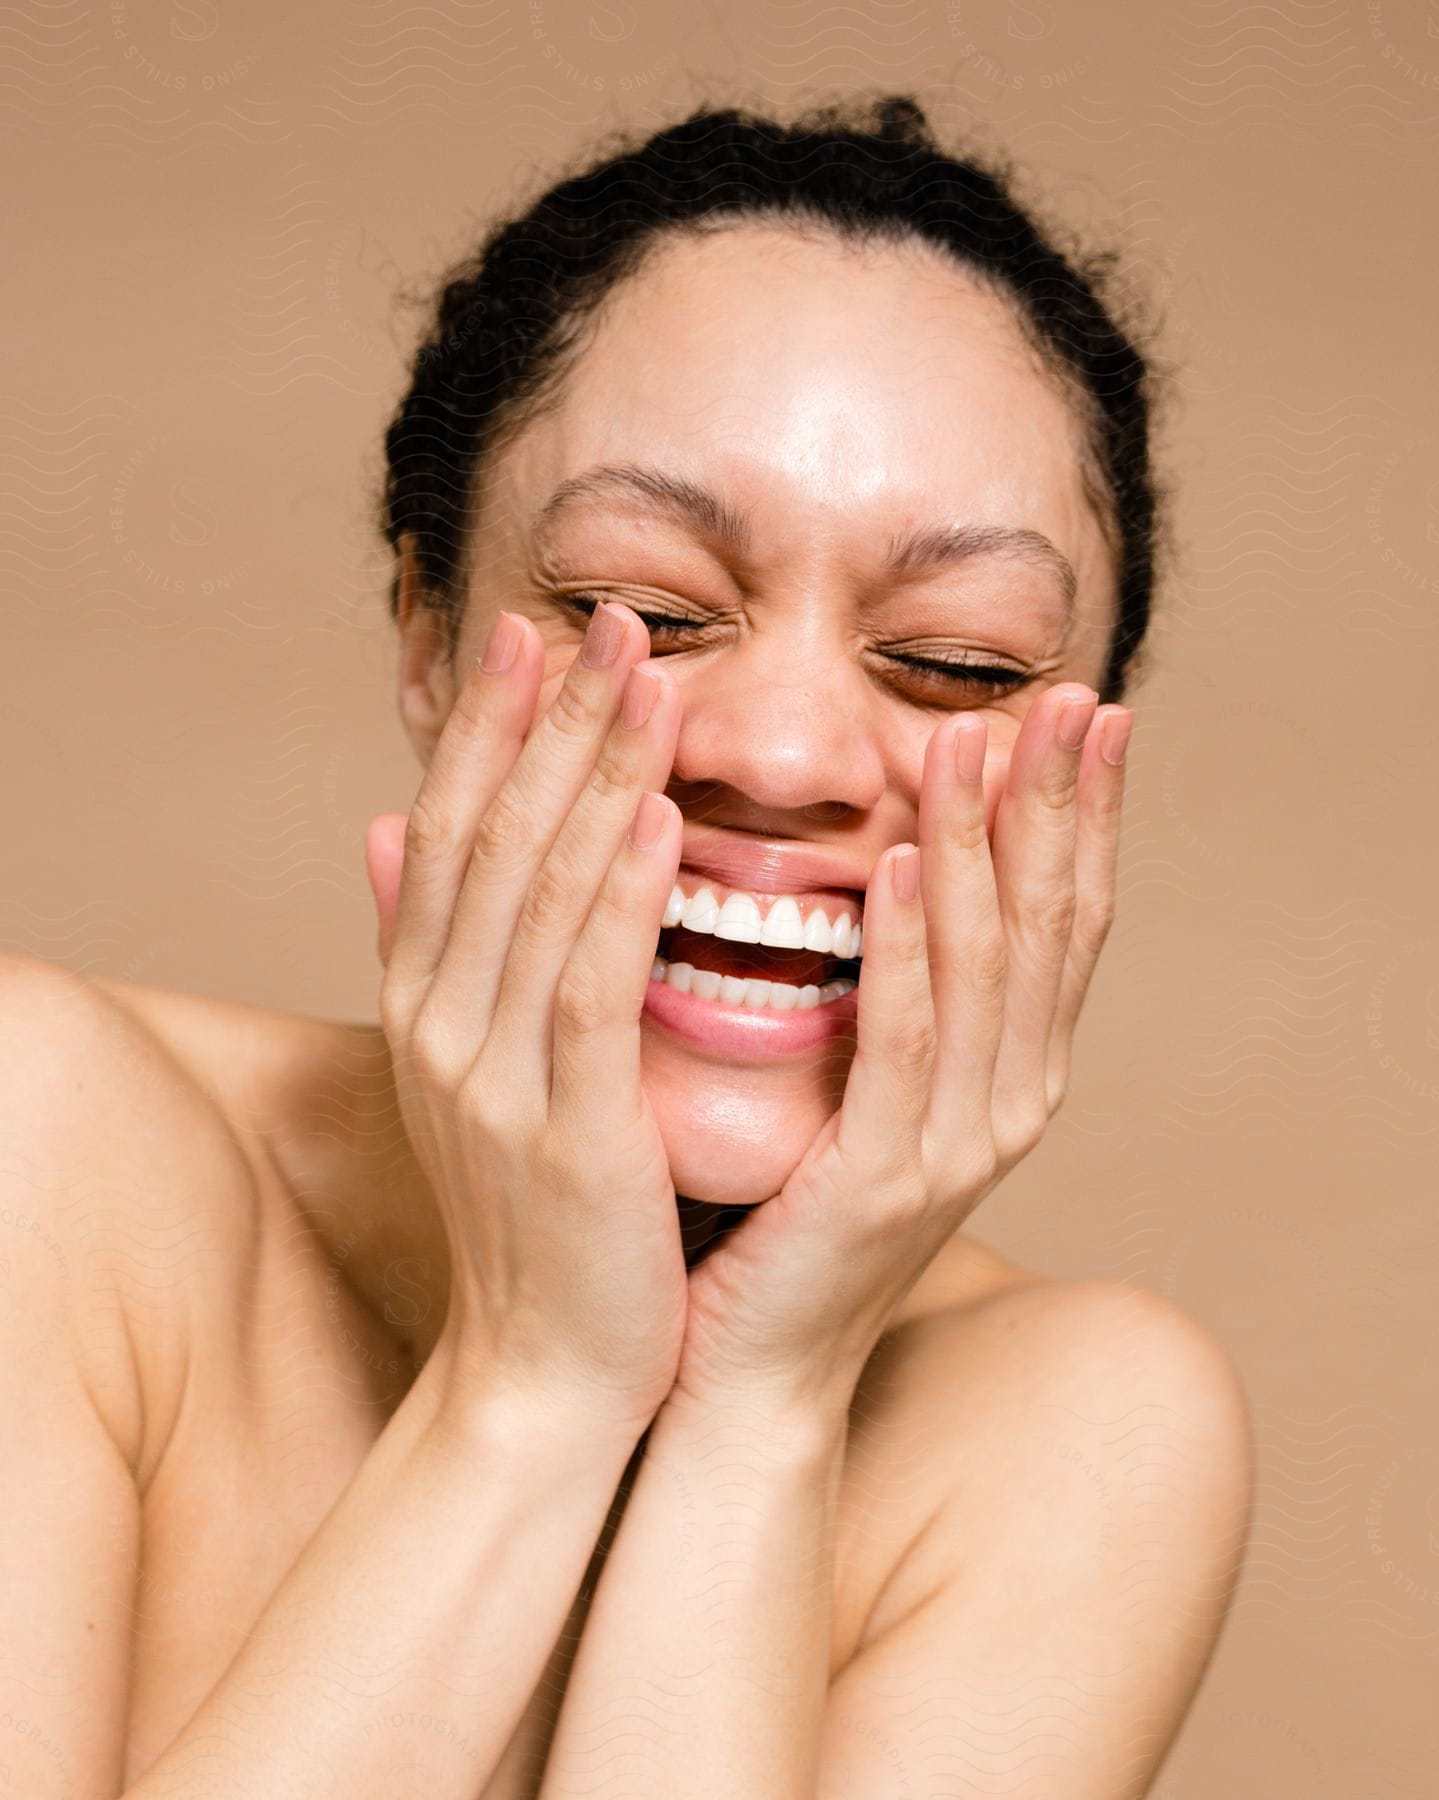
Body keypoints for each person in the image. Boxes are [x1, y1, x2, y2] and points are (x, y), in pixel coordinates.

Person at [1, 95, 1251, 1798]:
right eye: (650, 616)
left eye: (957, 661)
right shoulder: (38, 1145)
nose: (790, 754)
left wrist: (762, 1414)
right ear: (429, 637)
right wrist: (528, 1392)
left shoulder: (1084, 1435)